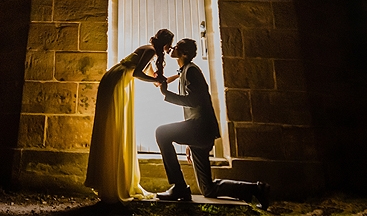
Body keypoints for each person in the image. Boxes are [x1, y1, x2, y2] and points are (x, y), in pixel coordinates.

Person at [155, 38, 271, 209]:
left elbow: (194, 101)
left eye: (177, 46)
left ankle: (179, 187)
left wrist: (166, 94)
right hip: (200, 132)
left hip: (200, 129)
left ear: (184, 53)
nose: (173, 47)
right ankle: (257, 189)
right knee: (208, 189)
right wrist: (190, 140)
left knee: (161, 133)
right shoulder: (186, 70)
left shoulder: (191, 71)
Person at [84, 28, 175, 203]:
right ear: (165, 43)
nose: (169, 48)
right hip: (116, 81)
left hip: (118, 81)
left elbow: (154, 81)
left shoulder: (151, 53)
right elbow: (137, 73)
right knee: (113, 126)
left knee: (116, 125)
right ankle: (110, 181)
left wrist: (172, 77)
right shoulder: (150, 51)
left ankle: (113, 179)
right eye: (169, 45)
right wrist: (156, 80)